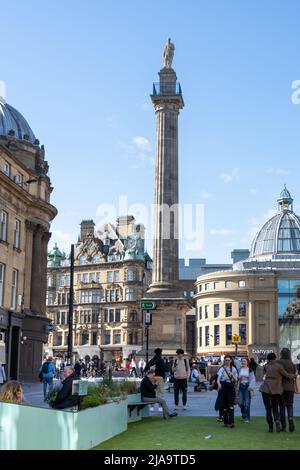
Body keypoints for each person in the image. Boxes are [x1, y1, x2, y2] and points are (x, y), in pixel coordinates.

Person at [259, 352, 296, 432]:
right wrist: (294, 375)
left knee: (267, 408)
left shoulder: (266, 366)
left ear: (268, 359)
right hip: (275, 389)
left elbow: (264, 375)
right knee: (275, 407)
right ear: (275, 358)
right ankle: (277, 421)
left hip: (264, 388)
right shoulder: (278, 366)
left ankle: (270, 428)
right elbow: (287, 376)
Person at [277, 348, 297, 432]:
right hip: (290, 387)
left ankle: (283, 425)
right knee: (290, 405)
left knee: (281, 406)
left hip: (280, 387)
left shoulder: (278, 362)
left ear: (281, 353)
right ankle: (290, 418)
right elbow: (294, 373)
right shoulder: (292, 363)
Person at [217, 355, 238, 428]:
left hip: (231, 387)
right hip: (223, 387)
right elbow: (218, 378)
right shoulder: (222, 369)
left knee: (231, 405)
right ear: (224, 361)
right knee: (224, 405)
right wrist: (219, 384)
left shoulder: (234, 369)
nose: (227, 361)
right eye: (226, 360)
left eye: (229, 360)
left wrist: (232, 375)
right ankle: (226, 422)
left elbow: (236, 380)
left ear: (231, 361)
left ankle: (231, 422)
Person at [238, 358, 256, 422]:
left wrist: (251, 387)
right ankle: (243, 414)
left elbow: (252, 379)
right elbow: (236, 378)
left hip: (247, 386)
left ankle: (246, 417)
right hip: (240, 386)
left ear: (247, 362)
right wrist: (238, 378)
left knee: (247, 402)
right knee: (240, 402)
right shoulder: (239, 369)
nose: (243, 362)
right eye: (242, 361)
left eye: (244, 361)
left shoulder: (250, 370)